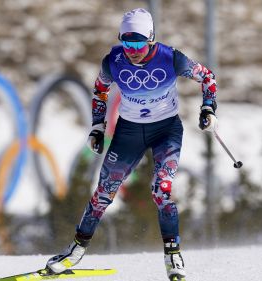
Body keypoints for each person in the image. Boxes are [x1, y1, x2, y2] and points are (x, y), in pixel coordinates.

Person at [46, 8, 218, 281]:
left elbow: (207, 77)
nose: (133, 49)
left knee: (161, 191)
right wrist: (97, 128)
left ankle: (173, 256)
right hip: (129, 131)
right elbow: (100, 91)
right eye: (127, 42)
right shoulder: (112, 61)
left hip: (166, 130)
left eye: (138, 42)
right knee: (104, 193)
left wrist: (209, 109)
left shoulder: (171, 58)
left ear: (151, 38)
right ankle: (75, 251)